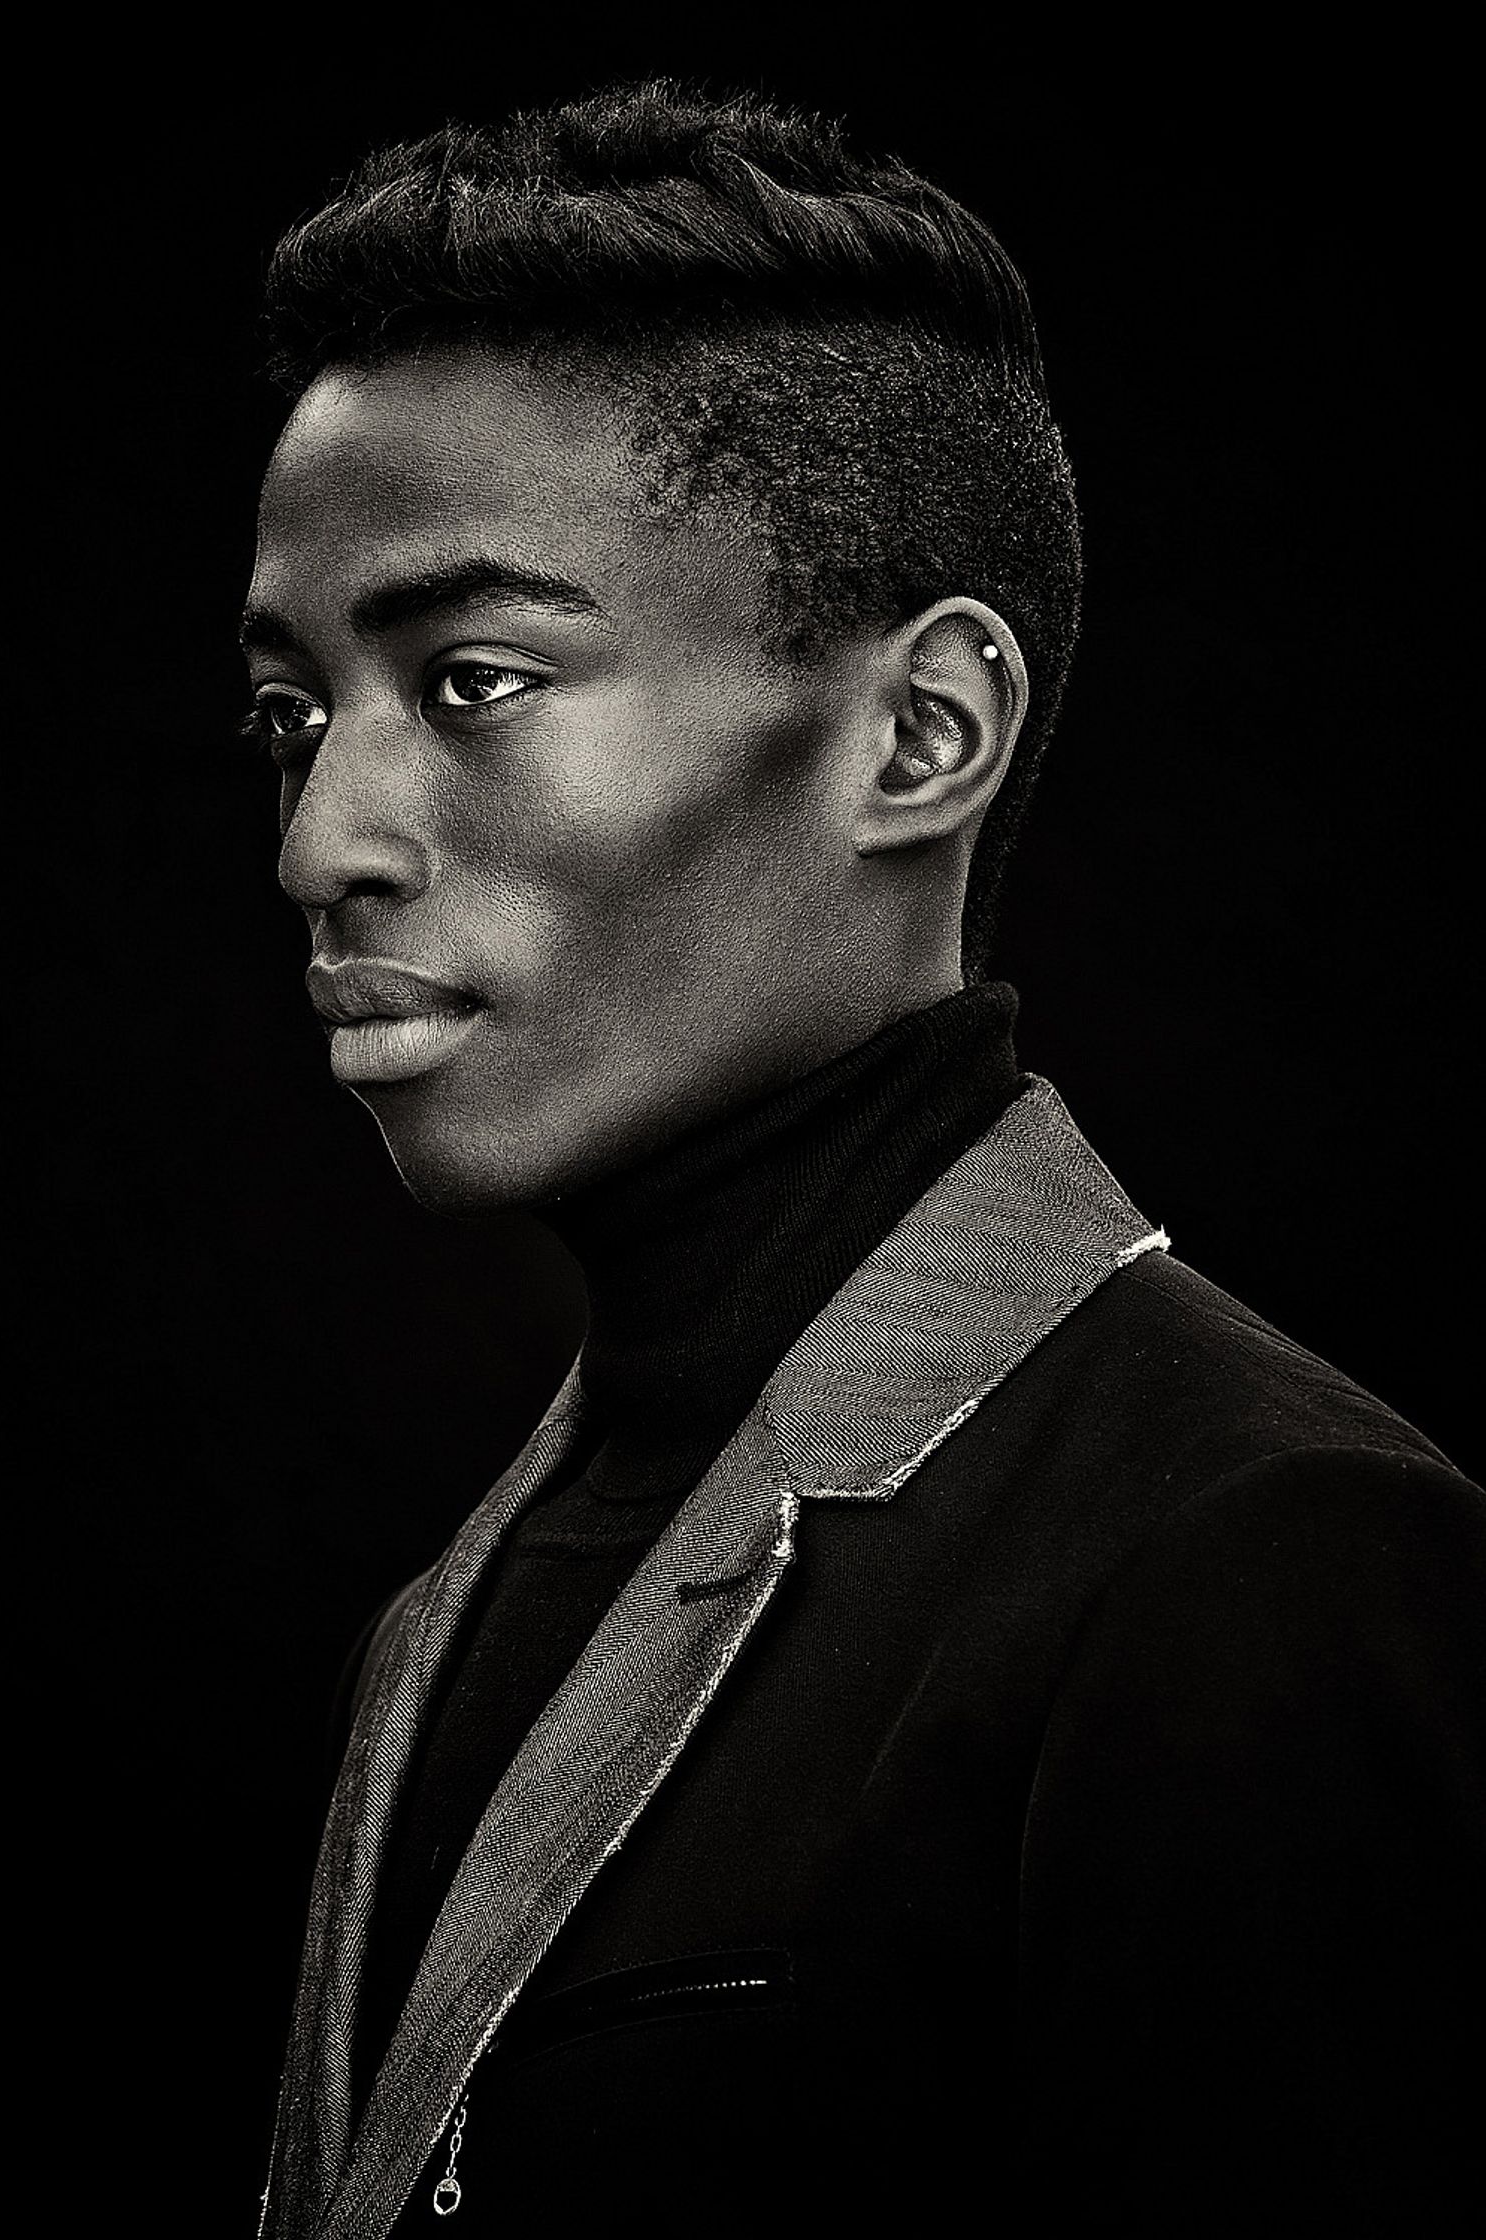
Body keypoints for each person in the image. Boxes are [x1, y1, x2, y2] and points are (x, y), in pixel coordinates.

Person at [249, 82, 1483, 2239]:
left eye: (470, 680)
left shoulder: (1263, 1554)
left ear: (922, 736)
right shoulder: (444, 1613)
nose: (317, 842)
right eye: (294, 713)